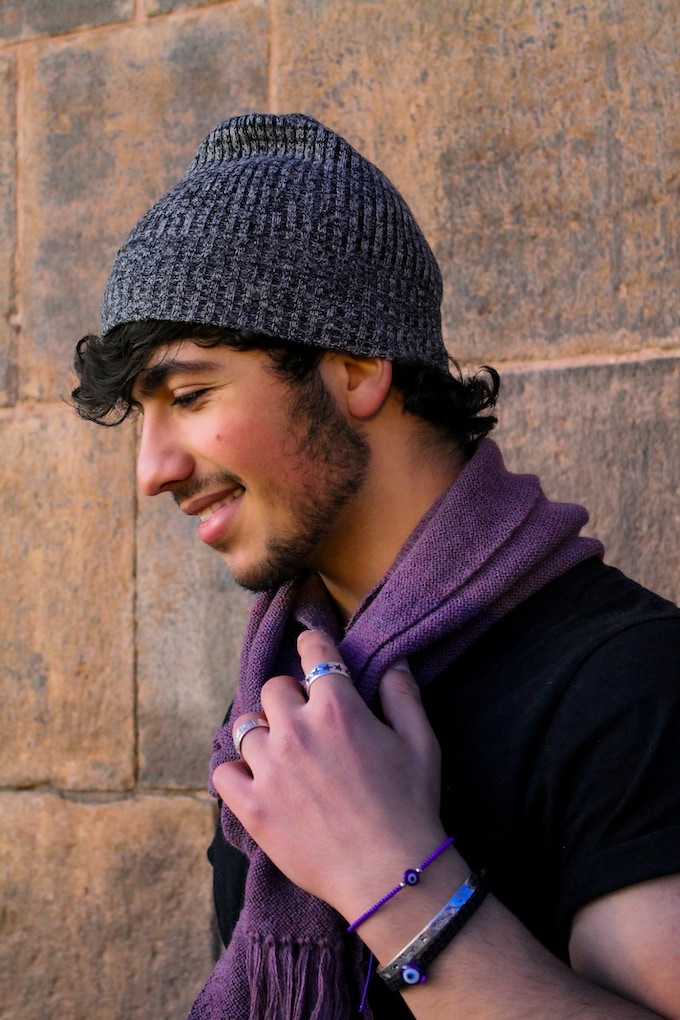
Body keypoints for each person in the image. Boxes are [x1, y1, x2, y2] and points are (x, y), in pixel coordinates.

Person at [71, 113, 680, 1020]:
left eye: (190, 396)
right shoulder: (286, 706)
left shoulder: (630, 683)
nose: (151, 469)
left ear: (357, 369)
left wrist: (392, 881)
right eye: (143, 415)